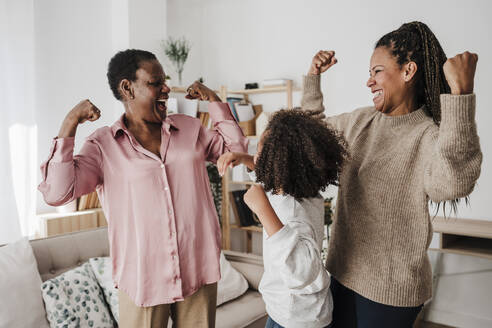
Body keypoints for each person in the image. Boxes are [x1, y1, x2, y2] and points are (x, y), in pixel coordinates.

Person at [38, 49, 248, 328]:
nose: (166, 89)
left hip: (197, 269)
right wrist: (69, 123)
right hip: (142, 281)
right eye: (155, 82)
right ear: (127, 88)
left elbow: (237, 150)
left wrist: (215, 101)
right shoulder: (102, 146)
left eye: (165, 81)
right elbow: (57, 193)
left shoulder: (190, 129)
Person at [302, 21, 482, 327]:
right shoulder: (360, 122)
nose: (369, 81)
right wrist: (312, 80)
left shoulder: (428, 137)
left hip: (391, 293)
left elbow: (452, 184)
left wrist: (461, 94)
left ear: (408, 72)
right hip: (341, 273)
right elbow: (307, 140)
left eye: (377, 71)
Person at [217, 109, 347, 328]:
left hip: (296, 318)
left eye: (261, 155)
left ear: (278, 165)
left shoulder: (293, 212)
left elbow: (303, 271)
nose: (257, 159)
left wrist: (262, 210)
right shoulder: (302, 191)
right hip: (289, 311)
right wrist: (245, 159)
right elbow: (272, 177)